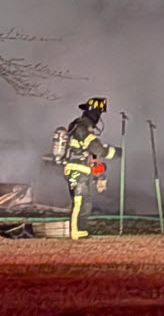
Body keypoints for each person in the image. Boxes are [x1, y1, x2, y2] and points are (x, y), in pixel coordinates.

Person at [63, 97, 120, 240]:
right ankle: (76, 231)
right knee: (79, 201)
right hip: (76, 169)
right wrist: (115, 152)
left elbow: (92, 156)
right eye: (99, 112)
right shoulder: (82, 127)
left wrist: (100, 177)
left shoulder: (82, 127)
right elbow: (97, 149)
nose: (99, 117)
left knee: (85, 202)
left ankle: (82, 230)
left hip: (82, 170)